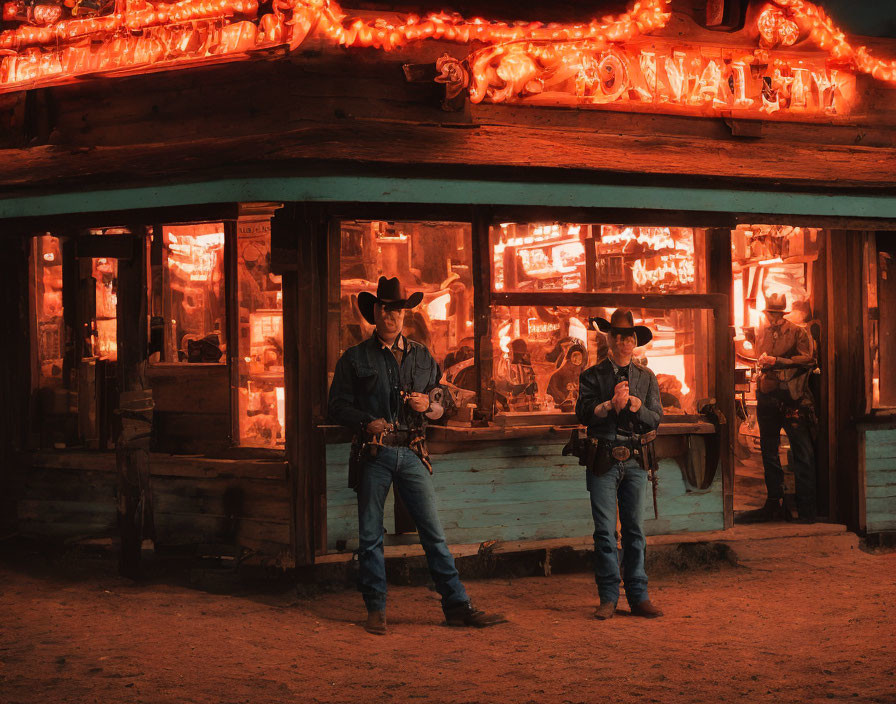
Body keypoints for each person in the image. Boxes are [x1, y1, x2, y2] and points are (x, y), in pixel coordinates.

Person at [328, 276, 505, 635]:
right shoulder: (354, 358)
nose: (390, 315)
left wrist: (429, 406)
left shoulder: (423, 356)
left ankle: (456, 606)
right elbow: (336, 407)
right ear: (374, 313)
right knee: (370, 535)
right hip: (374, 452)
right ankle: (376, 609)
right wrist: (366, 423)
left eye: (395, 309)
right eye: (383, 309)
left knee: (433, 534)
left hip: (411, 451)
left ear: (404, 315)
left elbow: (443, 401)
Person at [575, 309, 664, 620]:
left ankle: (638, 596)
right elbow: (583, 414)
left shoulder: (647, 377)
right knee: (604, 532)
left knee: (635, 530)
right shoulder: (592, 375)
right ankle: (609, 597)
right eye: (617, 335)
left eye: (629, 336)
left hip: (637, 458)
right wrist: (608, 406)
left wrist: (638, 408)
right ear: (609, 339)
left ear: (634, 341)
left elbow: (656, 419)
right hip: (603, 457)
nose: (624, 341)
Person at [736, 293, 818, 524]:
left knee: (802, 454)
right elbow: (757, 355)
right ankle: (775, 503)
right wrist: (755, 349)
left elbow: (809, 360)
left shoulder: (797, 332)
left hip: (793, 399)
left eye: (773, 314)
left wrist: (778, 361)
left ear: (780, 315)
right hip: (768, 397)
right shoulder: (763, 332)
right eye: (769, 314)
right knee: (769, 451)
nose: (770, 318)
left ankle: (806, 510)